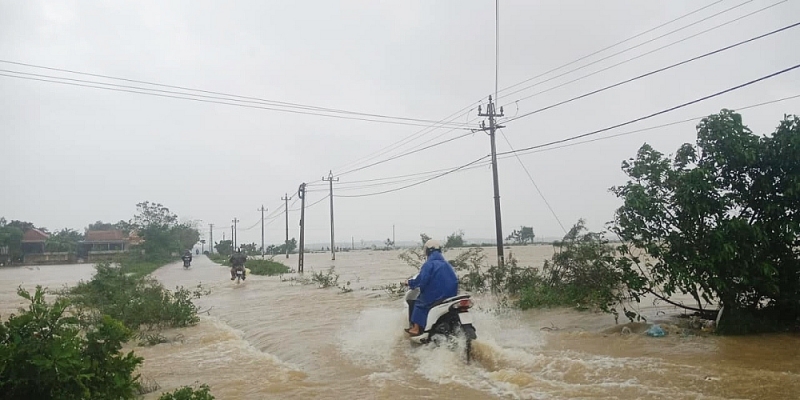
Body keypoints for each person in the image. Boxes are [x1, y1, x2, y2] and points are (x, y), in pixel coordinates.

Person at [404, 239, 458, 336]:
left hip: (437, 296)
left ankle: (416, 329)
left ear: (427, 251)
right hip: (451, 295)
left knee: (419, 303)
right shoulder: (447, 264)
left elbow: (422, 281)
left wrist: (409, 283)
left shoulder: (429, 264)